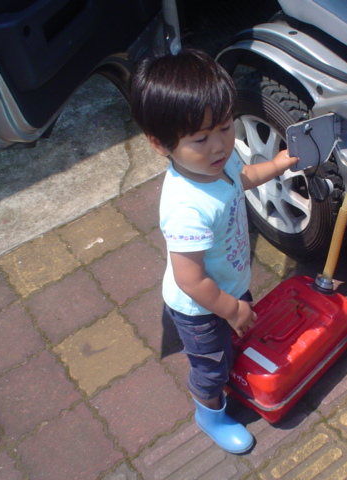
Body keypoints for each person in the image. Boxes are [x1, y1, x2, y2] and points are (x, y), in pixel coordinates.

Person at [129, 48, 298, 454]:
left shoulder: (216, 164)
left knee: (232, 339)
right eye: (201, 138)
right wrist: (230, 309)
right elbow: (190, 279)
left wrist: (278, 165)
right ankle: (210, 414)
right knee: (210, 368)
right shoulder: (187, 209)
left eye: (225, 127)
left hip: (227, 285)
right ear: (160, 143)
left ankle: (231, 352)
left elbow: (243, 176)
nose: (220, 145)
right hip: (201, 309)